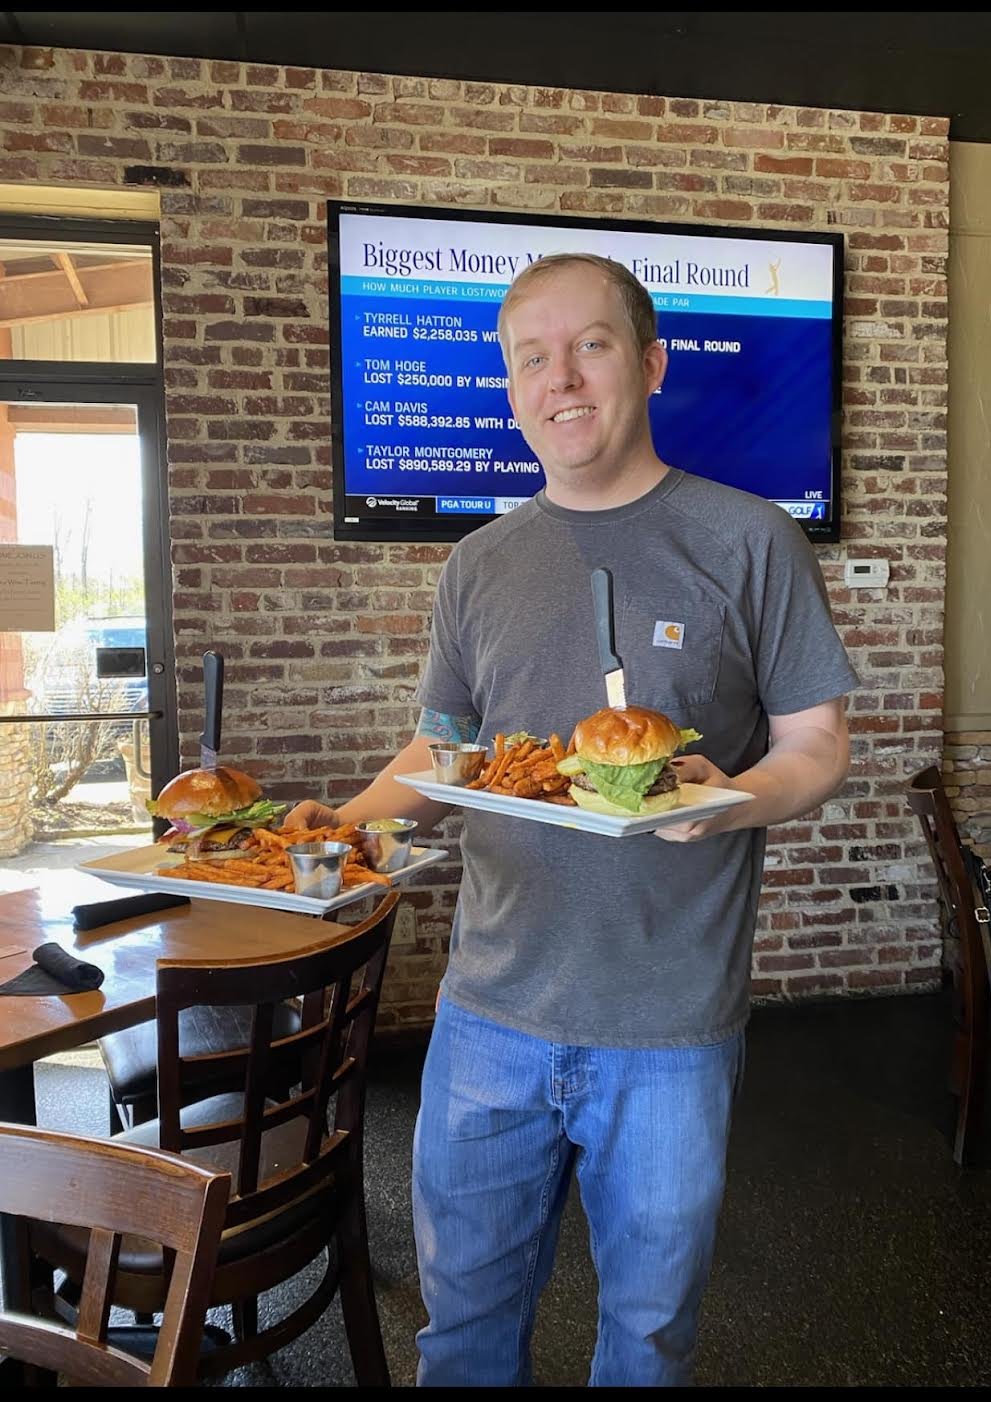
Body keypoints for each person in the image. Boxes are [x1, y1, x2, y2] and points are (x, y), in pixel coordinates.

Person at [286, 253, 858, 1386]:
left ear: (648, 363)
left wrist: (734, 800)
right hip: (487, 1014)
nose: (561, 379)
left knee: (646, 1340)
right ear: (510, 387)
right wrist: (341, 825)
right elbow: (442, 750)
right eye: (530, 358)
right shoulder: (478, 563)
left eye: (590, 345)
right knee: (461, 1331)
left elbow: (816, 743)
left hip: (669, 1023)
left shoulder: (750, 539)